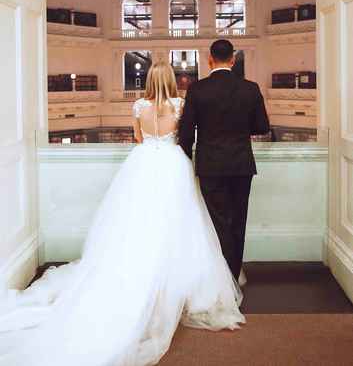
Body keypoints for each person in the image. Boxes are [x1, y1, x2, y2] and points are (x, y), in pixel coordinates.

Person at [0, 61, 244, 366]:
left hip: (142, 164)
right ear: (171, 80)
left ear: (150, 80)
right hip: (172, 164)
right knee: (178, 223)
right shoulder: (180, 105)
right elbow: (185, 139)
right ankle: (173, 283)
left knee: (136, 223)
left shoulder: (139, 106)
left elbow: (139, 139)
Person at [178, 39, 270, 282]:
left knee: (216, 221)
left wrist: (187, 159)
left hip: (210, 165)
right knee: (238, 221)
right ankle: (233, 274)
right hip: (241, 164)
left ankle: (220, 279)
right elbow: (262, 126)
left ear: (210, 59)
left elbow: (185, 133)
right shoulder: (250, 88)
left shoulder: (197, 89)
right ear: (233, 59)